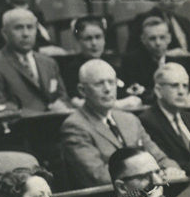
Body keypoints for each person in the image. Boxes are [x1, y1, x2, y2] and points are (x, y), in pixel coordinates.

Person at [59, 59, 170, 187]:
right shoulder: (74, 126)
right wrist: (152, 177)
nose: (107, 89)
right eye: (99, 84)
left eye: (111, 82)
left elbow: (160, 158)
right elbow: (98, 175)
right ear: (82, 90)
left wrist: (173, 170)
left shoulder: (129, 119)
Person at [0, 9, 72, 113]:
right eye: (18, 28)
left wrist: (61, 107)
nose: (26, 34)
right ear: (4, 33)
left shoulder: (49, 63)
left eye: (30, 27)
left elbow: (63, 98)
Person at [61, 15, 144, 105]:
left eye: (98, 37)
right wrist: (121, 104)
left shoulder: (114, 66)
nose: (94, 43)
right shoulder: (72, 70)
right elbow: (77, 102)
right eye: (88, 38)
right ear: (78, 41)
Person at [140, 63, 190, 176]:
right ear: (158, 91)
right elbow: (166, 161)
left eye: (185, 86)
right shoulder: (147, 121)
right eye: (174, 85)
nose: (181, 91)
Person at [119, 15, 175, 95]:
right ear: (143, 40)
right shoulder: (131, 62)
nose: (158, 43)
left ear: (169, 38)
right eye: (152, 38)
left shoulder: (178, 60)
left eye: (162, 37)